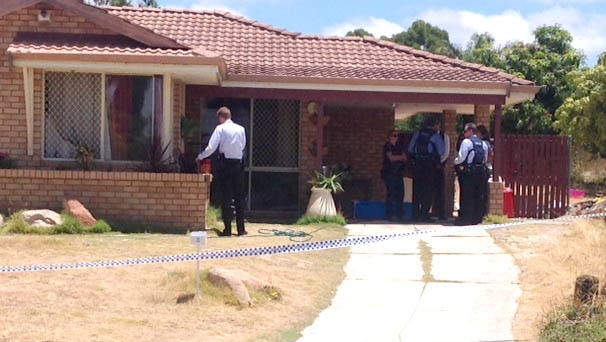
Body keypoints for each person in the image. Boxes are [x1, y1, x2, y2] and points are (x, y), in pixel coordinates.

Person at [196, 106, 248, 237]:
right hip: (238, 164)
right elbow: (242, 146)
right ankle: (241, 229)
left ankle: (228, 229)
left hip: (225, 165)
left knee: (226, 197)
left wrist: (200, 156)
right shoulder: (241, 129)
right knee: (239, 197)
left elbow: (211, 147)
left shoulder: (220, 128)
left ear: (221, 117)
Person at [408, 117, 445, 222]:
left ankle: (415, 214)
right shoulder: (435, 135)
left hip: (417, 164)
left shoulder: (418, 133)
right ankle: (425, 214)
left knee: (417, 190)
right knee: (428, 190)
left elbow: (411, 148)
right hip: (429, 166)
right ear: (434, 125)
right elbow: (441, 151)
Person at [454, 123, 489, 225]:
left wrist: (454, 162)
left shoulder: (466, 142)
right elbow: (485, 159)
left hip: (469, 172)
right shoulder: (483, 144)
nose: (464, 133)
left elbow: (461, 157)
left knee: (467, 195)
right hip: (481, 172)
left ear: (470, 131)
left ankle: (465, 219)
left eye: (465, 131)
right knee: (478, 195)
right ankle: (477, 219)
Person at [380, 129, 407, 221]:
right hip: (389, 173)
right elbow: (391, 158)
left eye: (397, 136)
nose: (396, 138)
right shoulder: (387, 146)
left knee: (400, 193)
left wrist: (400, 158)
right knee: (391, 193)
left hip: (399, 172)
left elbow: (405, 157)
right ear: (390, 137)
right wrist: (400, 157)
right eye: (394, 136)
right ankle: (390, 214)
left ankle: (400, 214)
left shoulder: (399, 146)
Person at [431, 120, 450, 220]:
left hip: (439, 166)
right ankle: (430, 212)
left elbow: (446, 152)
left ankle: (440, 212)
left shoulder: (444, 136)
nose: (436, 127)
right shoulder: (429, 136)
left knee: (440, 190)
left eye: (437, 124)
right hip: (429, 167)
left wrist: (440, 162)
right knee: (430, 190)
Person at [476, 124, 493, 217]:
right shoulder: (487, 143)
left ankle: (481, 212)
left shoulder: (484, 143)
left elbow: (489, 157)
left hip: (485, 169)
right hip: (486, 168)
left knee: (482, 192)